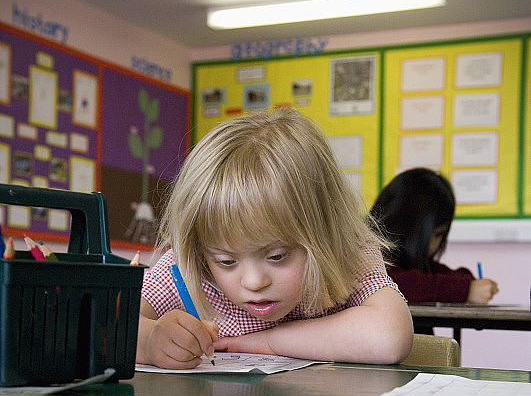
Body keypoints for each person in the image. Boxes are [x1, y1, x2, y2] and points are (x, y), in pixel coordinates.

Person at [137, 107, 413, 369]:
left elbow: (389, 336)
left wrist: (269, 341)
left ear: (324, 233)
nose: (254, 282)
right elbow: (104, 325)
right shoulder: (185, 268)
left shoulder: (349, 255)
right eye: (226, 261)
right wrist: (150, 341)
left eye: (277, 256)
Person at [370, 167, 499, 307]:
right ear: (411, 228)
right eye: (438, 234)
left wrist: (469, 284)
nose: (438, 243)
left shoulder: (410, 263)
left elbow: (435, 277)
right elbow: (400, 285)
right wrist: (466, 289)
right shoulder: (368, 262)